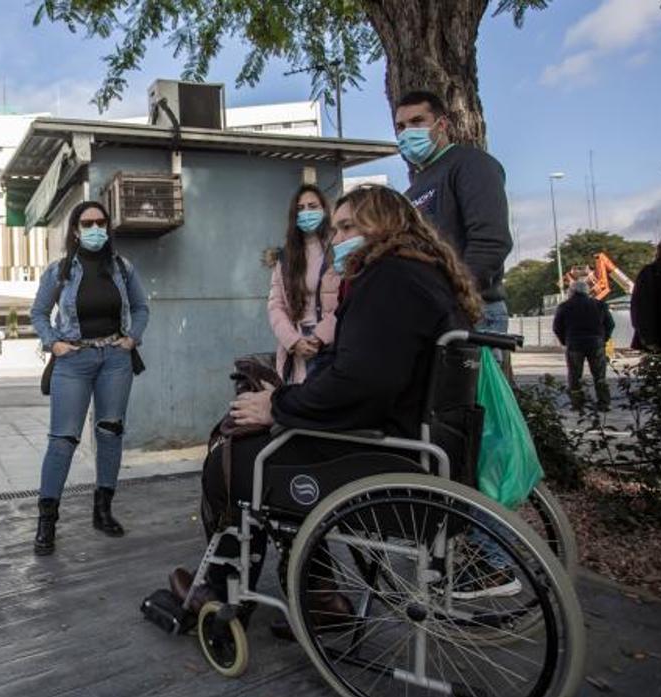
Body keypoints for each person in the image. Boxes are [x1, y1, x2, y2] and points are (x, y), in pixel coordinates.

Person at [170, 186, 487, 631]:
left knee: (234, 457)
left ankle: (230, 590)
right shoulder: (425, 276)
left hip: (382, 450)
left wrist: (276, 405)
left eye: (348, 226)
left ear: (386, 224)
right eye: (335, 228)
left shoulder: (390, 278)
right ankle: (317, 594)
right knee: (267, 451)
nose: (336, 237)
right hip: (415, 441)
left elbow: (361, 383)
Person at [28, 200, 150, 556]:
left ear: (107, 227)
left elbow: (141, 307)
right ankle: (47, 520)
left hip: (115, 358)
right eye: (87, 223)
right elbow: (38, 313)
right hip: (74, 360)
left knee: (110, 431)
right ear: (76, 230)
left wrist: (133, 337)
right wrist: (54, 343)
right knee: (63, 439)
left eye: (101, 222)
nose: (95, 228)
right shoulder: (59, 271)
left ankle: (103, 510)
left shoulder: (123, 268)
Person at [396, 91, 513, 335]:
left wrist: (456, 297)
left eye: (417, 121)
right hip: (433, 313)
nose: (407, 131)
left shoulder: (471, 165)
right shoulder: (414, 188)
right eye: (401, 126)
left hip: (473, 313)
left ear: (442, 124)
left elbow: (490, 242)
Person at [265, 184, 338, 383]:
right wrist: (293, 341)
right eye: (300, 208)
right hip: (296, 348)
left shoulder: (339, 249)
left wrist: (321, 336)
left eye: (313, 206)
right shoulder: (285, 257)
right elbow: (275, 305)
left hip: (331, 346)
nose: (306, 212)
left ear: (324, 210)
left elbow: (347, 300)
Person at [553, 279, 615, 411]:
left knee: (575, 376)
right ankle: (604, 403)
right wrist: (603, 339)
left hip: (574, 344)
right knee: (599, 375)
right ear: (587, 291)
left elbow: (557, 327)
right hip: (596, 343)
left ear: (572, 291)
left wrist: (565, 340)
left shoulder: (564, 306)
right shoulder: (599, 305)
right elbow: (610, 324)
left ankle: (577, 404)